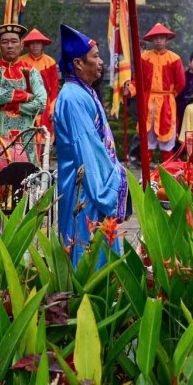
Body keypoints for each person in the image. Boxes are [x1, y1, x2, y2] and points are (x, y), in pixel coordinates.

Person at [54, 24, 129, 266]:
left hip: (91, 186)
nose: (100, 62)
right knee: (87, 259)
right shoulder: (73, 98)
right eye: (95, 57)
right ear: (77, 63)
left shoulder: (83, 91)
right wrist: (113, 183)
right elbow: (88, 151)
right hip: (87, 192)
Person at [0, 23, 47, 140]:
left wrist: (16, 107)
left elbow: (41, 104)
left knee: (25, 158)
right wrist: (24, 96)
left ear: (21, 45)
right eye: (5, 42)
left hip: (26, 137)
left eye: (14, 41)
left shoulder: (31, 71)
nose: (10, 46)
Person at [136, 23, 186, 160]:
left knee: (167, 137)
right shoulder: (144, 57)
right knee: (147, 136)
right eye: (156, 38)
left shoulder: (174, 58)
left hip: (166, 102)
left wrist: (170, 95)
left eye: (161, 38)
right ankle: (145, 174)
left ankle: (166, 174)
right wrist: (130, 89)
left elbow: (181, 82)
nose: (158, 40)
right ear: (152, 40)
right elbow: (137, 79)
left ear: (166, 39)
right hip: (148, 100)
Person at [17, 28, 60, 135]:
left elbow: (54, 87)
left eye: (37, 43)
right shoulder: (21, 61)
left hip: (45, 104)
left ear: (42, 45)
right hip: (26, 102)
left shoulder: (50, 62)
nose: (35, 46)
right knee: (25, 134)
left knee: (43, 136)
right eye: (32, 43)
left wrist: (52, 109)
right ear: (28, 45)